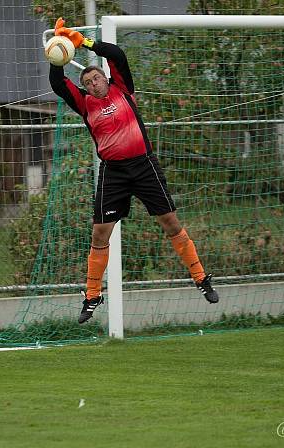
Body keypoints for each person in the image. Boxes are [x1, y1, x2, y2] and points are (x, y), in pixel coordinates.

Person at [49, 18, 219, 324]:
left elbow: (116, 54)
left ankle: (201, 278)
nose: (92, 84)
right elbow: (58, 84)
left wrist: (82, 42)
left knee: (170, 222)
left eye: (96, 78)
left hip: (144, 165)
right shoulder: (85, 103)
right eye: (87, 82)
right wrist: (56, 52)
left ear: (105, 78)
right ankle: (91, 296)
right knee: (100, 232)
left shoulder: (122, 88)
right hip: (113, 172)